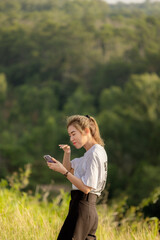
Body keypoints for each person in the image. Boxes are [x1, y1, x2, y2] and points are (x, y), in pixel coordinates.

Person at [47, 115, 108, 240]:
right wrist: (67, 153)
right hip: (86, 209)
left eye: (73, 134)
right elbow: (69, 168)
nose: (71, 138)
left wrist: (64, 172)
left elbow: (86, 188)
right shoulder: (92, 153)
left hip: (82, 207)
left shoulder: (94, 154)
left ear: (86, 130)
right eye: (70, 135)